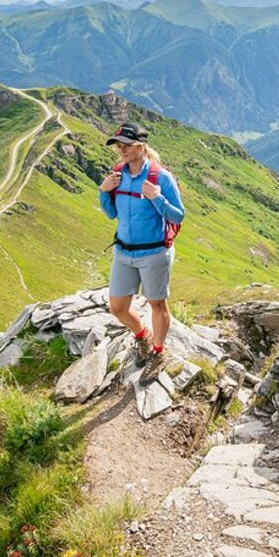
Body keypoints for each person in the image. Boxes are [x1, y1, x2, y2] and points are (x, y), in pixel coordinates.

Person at [98, 121, 185, 381]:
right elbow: (111, 212)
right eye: (118, 146)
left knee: (157, 303)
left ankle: (158, 352)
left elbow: (178, 216)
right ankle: (142, 336)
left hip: (153, 252)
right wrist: (103, 192)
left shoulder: (160, 177)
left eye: (127, 145)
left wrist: (156, 197)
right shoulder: (117, 175)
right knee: (117, 307)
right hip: (123, 252)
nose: (121, 150)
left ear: (141, 146)